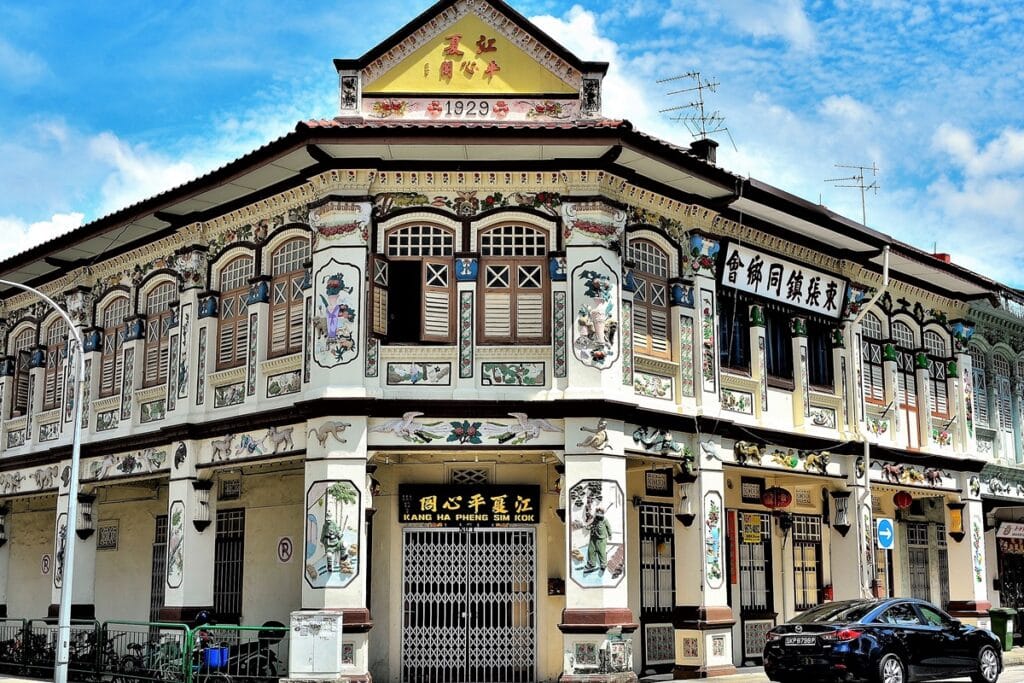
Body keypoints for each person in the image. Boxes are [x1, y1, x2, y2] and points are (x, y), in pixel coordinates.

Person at [583, 507, 612, 574]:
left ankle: (603, 565)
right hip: (593, 538)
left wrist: (610, 535)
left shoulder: (605, 520)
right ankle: (591, 563)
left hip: (601, 539)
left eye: (600, 512)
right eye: (598, 512)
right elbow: (590, 525)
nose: (598, 514)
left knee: (601, 552)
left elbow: (609, 527)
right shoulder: (594, 519)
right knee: (591, 551)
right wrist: (588, 527)